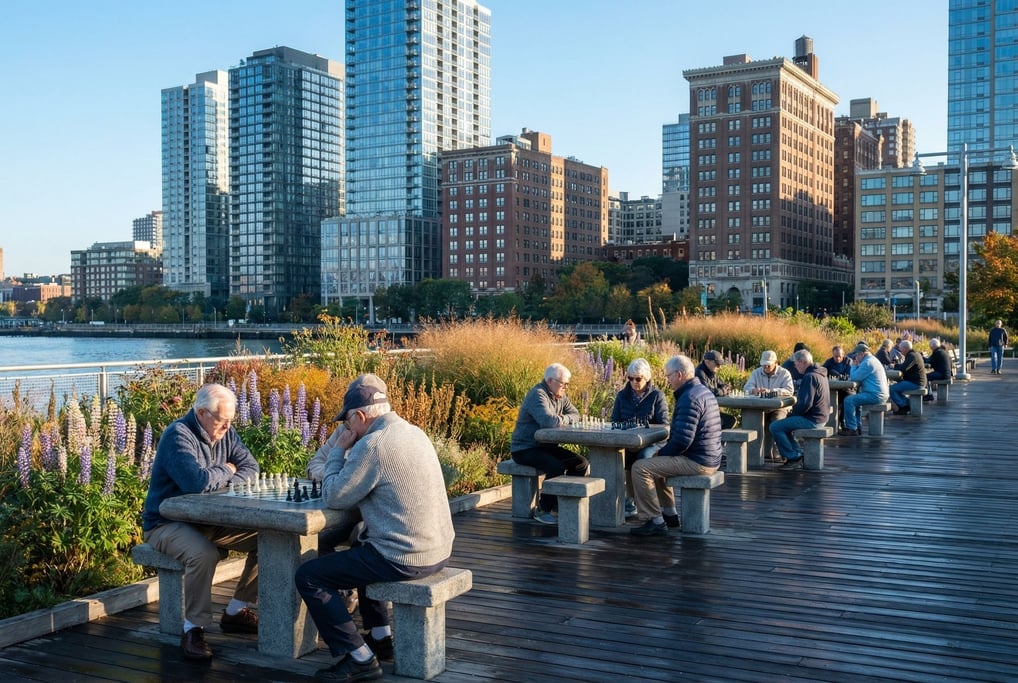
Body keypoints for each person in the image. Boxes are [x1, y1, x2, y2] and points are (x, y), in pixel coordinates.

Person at [294, 374, 454, 682]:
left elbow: (335, 496)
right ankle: (380, 637)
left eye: (348, 422)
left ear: (360, 416)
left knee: (310, 576)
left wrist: (339, 451)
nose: (346, 428)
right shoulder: (413, 431)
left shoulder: (373, 444)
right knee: (361, 549)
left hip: (406, 556)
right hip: (439, 548)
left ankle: (359, 657)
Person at [141, 383, 260, 661]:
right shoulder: (177, 435)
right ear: (202, 413)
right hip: (165, 523)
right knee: (203, 554)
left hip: (210, 522)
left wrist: (225, 475)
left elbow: (252, 468)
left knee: (271, 538)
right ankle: (193, 629)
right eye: (222, 421)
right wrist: (228, 468)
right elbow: (195, 482)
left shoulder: (226, 432)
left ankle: (235, 611)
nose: (228, 427)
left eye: (231, 421)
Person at [630, 355, 722, 537]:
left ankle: (653, 520)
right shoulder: (701, 391)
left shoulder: (689, 398)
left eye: (669, 376)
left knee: (641, 468)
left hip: (699, 461)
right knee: (657, 464)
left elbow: (682, 440)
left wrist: (661, 453)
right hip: (709, 456)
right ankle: (669, 514)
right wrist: (662, 455)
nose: (667, 380)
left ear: (679, 375)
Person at [510, 363, 587, 525]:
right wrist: (560, 419)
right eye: (563, 383)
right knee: (556, 467)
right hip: (525, 448)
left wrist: (562, 419)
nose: (566, 387)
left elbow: (575, 414)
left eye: (567, 384)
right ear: (550, 381)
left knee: (580, 463)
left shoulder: (560, 395)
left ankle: (560, 503)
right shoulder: (538, 395)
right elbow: (548, 421)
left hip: (545, 446)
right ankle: (543, 508)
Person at [609, 358, 670, 517]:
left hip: (653, 443)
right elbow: (614, 421)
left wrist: (645, 430)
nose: (634, 382)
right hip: (630, 442)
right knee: (623, 457)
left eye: (638, 378)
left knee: (642, 458)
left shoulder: (657, 396)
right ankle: (630, 501)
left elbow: (664, 425)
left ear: (647, 377)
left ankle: (651, 505)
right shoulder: (622, 395)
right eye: (630, 378)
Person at [770, 349, 830, 470]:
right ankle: (796, 453)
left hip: (813, 420)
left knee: (775, 427)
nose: (796, 367)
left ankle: (793, 458)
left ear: (802, 362)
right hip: (821, 416)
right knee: (784, 425)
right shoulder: (819, 373)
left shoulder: (810, 377)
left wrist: (792, 415)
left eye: (796, 364)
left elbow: (805, 404)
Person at [743, 350, 795, 460]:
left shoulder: (784, 373)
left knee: (777, 424)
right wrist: (754, 390)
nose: (765, 367)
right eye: (763, 365)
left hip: (779, 407)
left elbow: (789, 390)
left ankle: (782, 454)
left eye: (768, 365)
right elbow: (746, 388)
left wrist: (772, 391)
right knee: (753, 422)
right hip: (760, 408)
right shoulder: (756, 372)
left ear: (776, 362)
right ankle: (755, 456)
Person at [840, 342, 890, 436]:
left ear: (862, 354)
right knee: (856, 401)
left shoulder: (867, 362)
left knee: (848, 401)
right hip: (880, 393)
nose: (855, 358)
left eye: (856, 355)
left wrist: (854, 365)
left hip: (876, 395)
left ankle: (852, 428)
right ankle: (857, 426)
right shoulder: (872, 360)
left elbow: (854, 377)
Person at [694, 350, 737, 429]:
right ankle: (717, 441)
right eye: (717, 364)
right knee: (729, 420)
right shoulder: (699, 373)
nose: (719, 367)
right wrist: (723, 391)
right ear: (707, 362)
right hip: (701, 413)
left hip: (709, 410)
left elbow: (726, 385)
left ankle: (718, 440)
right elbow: (709, 392)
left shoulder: (712, 373)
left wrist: (722, 389)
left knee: (731, 420)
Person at [889, 339, 927, 415]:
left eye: (901, 349)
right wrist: (896, 366)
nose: (900, 351)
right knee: (897, 387)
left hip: (916, 383)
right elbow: (904, 366)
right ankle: (907, 404)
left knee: (892, 389)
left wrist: (894, 366)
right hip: (919, 381)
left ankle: (904, 406)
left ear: (905, 348)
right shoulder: (915, 354)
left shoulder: (911, 356)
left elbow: (903, 368)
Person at [822, 345, 855, 425]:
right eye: (835, 356)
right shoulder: (829, 362)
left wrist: (839, 375)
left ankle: (842, 420)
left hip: (846, 389)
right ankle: (829, 422)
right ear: (833, 355)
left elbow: (848, 375)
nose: (838, 358)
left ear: (843, 354)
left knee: (848, 398)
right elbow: (822, 371)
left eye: (839, 356)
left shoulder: (848, 361)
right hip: (832, 389)